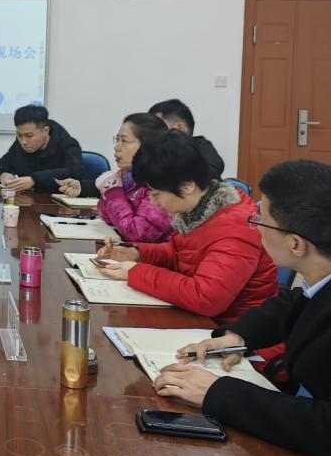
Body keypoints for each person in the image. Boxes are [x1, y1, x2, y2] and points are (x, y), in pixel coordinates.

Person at [153, 160, 331, 456]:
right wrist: (237, 335)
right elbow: (297, 302)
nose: (253, 226)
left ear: (296, 244)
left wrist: (217, 393)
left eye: (259, 219)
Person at [96, 131, 276, 323]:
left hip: (233, 332)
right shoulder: (196, 210)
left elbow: (205, 298)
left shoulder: (236, 228)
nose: (153, 202)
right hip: (201, 320)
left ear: (187, 186)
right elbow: (181, 254)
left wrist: (136, 272)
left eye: (156, 194)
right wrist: (138, 253)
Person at [59, 113, 173, 243]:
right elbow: (106, 215)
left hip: (153, 254)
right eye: (117, 139)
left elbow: (137, 234)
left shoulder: (161, 185)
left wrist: (113, 192)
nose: (116, 147)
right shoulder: (127, 176)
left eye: (124, 141)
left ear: (148, 145)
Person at [0, 105, 84, 193]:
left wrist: (34, 180)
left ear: (45, 131)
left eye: (29, 136)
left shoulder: (68, 144)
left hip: (55, 204)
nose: (23, 141)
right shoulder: (20, 144)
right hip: (25, 202)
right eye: (19, 135)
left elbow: (74, 172)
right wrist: (2, 174)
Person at [149, 98, 225, 180]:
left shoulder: (201, 146)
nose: (151, 132)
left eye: (157, 126)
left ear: (180, 128)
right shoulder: (152, 150)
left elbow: (212, 170)